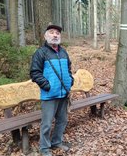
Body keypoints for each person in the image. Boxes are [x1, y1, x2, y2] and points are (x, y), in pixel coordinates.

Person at [30, 24, 74, 156]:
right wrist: (47, 86)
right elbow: (35, 73)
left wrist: (70, 80)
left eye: (57, 33)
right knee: (47, 124)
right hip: (49, 95)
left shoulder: (63, 52)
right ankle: (44, 148)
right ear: (45, 36)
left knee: (62, 120)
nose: (55, 35)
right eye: (52, 32)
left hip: (63, 93)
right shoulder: (40, 53)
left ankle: (56, 142)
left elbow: (69, 69)